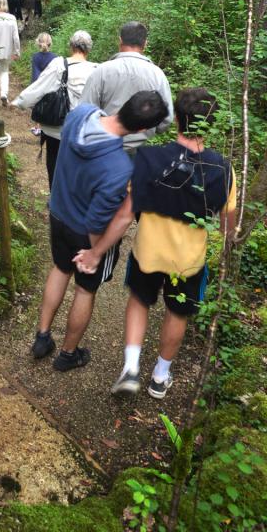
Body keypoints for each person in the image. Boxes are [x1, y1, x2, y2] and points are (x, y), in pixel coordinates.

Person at [74, 88, 236, 400]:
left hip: (147, 252)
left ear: (176, 118)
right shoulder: (222, 169)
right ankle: (160, 377)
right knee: (177, 312)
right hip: (188, 261)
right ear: (211, 124)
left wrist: (96, 252)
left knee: (139, 300)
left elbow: (124, 216)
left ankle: (131, 369)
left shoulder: (149, 157)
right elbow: (229, 226)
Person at [30, 91, 169, 370]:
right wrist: (95, 253)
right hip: (84, 232)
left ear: (124, 105)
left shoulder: (80, 115)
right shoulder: (118, 168)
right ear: (142, 129)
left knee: (59, 269)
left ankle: (42, 336)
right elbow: (96, 222)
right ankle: (68, 354)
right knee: (84, 290)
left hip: (59, 213)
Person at [13, 31, 95, 183]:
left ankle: (56, 198)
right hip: (84, 130)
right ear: (89, 49)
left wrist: (21, 102)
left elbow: (39, 87)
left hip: (57, 129)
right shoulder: (97, 70)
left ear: (71, 46)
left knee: (55, 163)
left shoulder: (59, 64)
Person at [80, 21, 173, 153]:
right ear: (145, 43)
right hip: (142, 152)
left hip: (104, 149)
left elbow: (85, 112)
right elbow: (166, 120)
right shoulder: (157, 74)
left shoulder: (101, 71)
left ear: (120, 40)